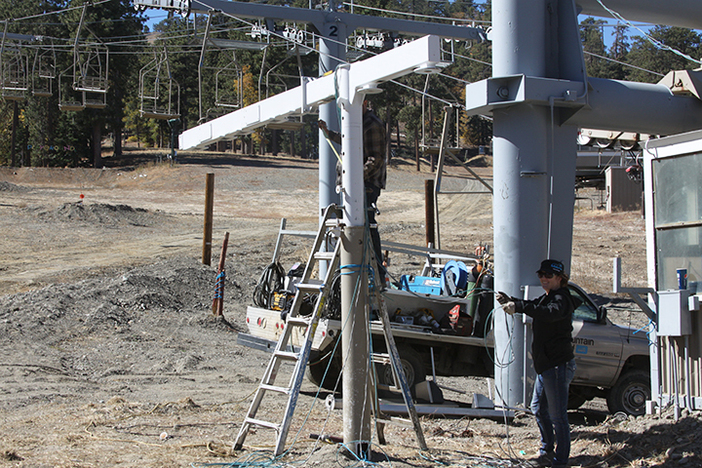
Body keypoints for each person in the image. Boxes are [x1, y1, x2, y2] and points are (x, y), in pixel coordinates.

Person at [496, 259, 576, 468]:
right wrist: (510, 300)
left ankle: (560, 460)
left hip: (557, 365)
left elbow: (550, 313)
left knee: (558, 417)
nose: (543, 279)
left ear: (559, 278)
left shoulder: (562, 299)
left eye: (548, 275)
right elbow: (534, 307)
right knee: (538, 409)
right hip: (546, 366)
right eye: (541, 274)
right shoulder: (548, 297)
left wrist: (518, 306)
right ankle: (546, 451)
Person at [318, 99, 387, 281]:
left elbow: (376, 158)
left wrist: (355, 177)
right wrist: (328, 133)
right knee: (351, 227)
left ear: (364, 102)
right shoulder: (357, 121)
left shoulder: (372, 124)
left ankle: (377, 274)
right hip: (354, 184)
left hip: (367, 184)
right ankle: (352, 272)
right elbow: (346, 140)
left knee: (366, 227)